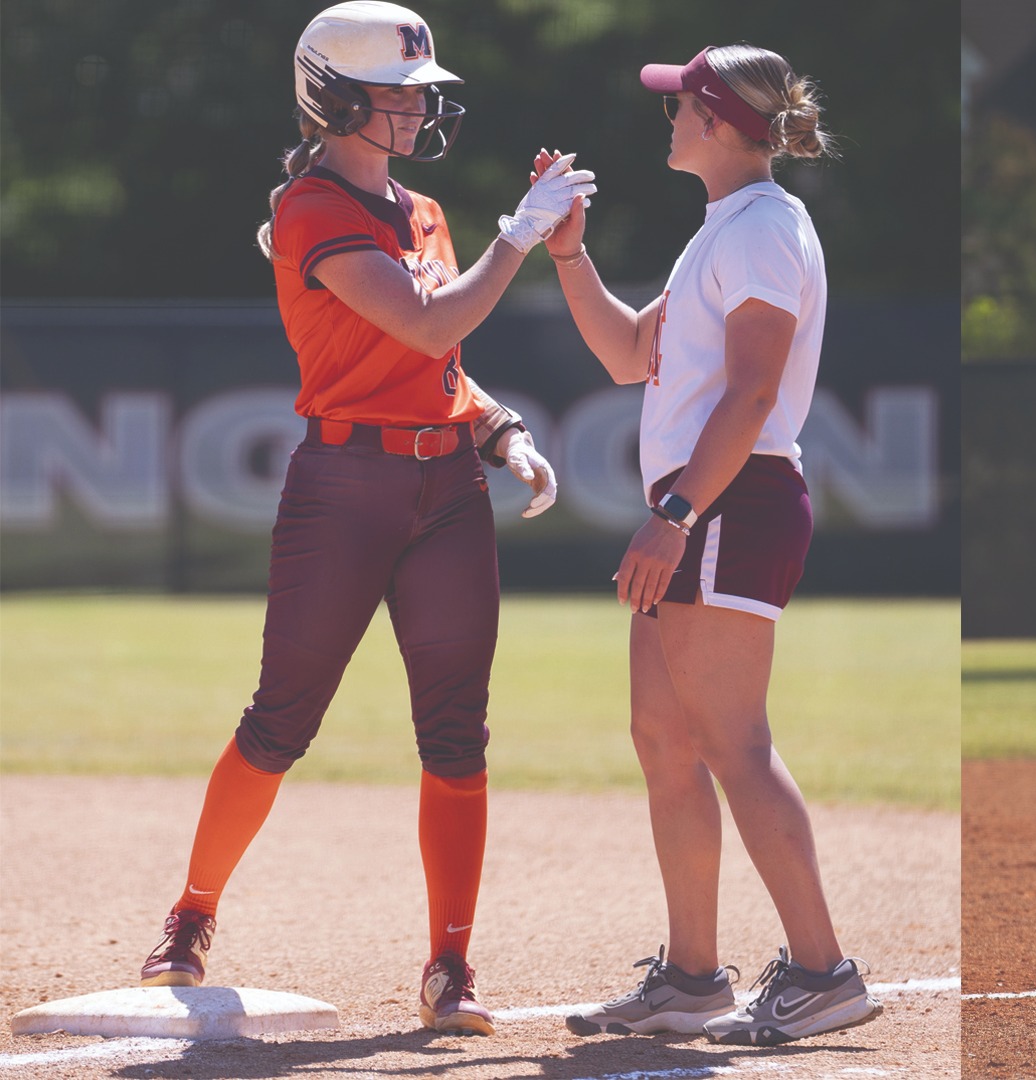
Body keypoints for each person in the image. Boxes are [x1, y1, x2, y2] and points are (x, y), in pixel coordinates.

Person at [136, 1, 594, 1038]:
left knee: (456, 732)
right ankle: (192, 911)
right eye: (401, 92)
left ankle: (450, 962)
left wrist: (498, 428)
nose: (420, 107)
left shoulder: (421, 211)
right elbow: (426, 319)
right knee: (281, 718)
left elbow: (443, 363)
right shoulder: (311, 208)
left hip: (446, 492)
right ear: (336, 97)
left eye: (421, 92)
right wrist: (518, 236)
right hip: (343, 490)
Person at [533, 44, 882, 1046]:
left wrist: (677, 513)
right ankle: (692, 979)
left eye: (684, 104)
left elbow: (756, 392)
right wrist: (568, 251)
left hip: (732, 499)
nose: (670, 117)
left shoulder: (767, 227)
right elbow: (626, 355)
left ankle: (824, 972)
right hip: (706, 501)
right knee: (666, 740)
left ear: (725, 124)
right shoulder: (723, 231)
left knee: (734, 741)